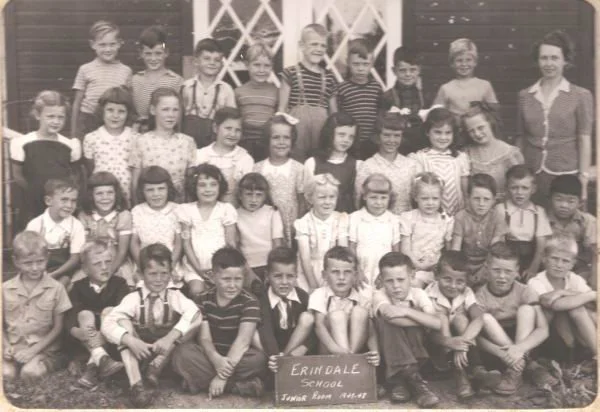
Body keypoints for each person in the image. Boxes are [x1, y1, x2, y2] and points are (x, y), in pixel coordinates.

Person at [101, 244, 201, 407]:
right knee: (119, 319)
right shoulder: (134, 298)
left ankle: (158, 366)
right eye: (153, 274)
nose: (159, 279)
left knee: (197, 317)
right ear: (141, 274)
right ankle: (137, 385)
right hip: (140, 351)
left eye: (164, 273)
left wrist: (170, 338)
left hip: (166, 352)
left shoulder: (174, 296)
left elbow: (194, 312)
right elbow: (107, 324)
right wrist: (130, 341)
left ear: (171, 273)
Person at [171, 247, 267, 399]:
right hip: (210, 355)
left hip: (238, 356)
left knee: (258, 360)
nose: (232, 285)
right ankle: (237, 386)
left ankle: (199, 381)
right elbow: (204, 338)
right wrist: (216, 360)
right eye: (226, 279)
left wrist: (221, 377)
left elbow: (243, 341)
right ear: (213, 277)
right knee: (182, 354)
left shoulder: (250, 302)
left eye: (238, 279)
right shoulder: (202, 299)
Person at [516, 30, 593, 206]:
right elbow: (521, 138)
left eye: (554, 58)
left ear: (565, 60)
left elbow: (584, 139)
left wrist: (583, 179)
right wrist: (520, 174)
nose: (549, 63)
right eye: (544, 58)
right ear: (537, 61)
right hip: (533, 176)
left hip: (567, 175)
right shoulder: (525, 96)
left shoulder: (580, 95)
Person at [475, 242, 554, 395]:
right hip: (497, 349)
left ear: (517, 271)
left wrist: (519, 349)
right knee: (484, 318)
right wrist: (503, 354)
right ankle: (527, 366)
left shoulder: (525, 291)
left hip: (525, 343)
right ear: (487, 268)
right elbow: (475, 337)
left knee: (526, 310)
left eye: (508, 271)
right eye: (496, 270)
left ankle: (515, 371)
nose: (502, 276)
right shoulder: (480, 296)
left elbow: (543, 330)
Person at [372, 252, 441, 408]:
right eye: (389, 281)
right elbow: (391, 317)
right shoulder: (379, 295)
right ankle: (414, 382)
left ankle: (399, 381)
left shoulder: (418, 293)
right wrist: (421, 320)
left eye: (401, 279)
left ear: (412, 276)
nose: (396, 286)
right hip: (387, 349)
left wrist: (407, 311)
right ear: (381, 279)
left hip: (417, 350)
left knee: (413, 316)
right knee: (387, 322)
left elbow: (436, 323)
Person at [3, 231, 72, 382]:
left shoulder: (57, 288)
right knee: (6, 374)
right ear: (16, 261)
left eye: (40, 261)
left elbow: (58, 328)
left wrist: (33, 351)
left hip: (44, 350)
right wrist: (6, 346)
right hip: (14, 347)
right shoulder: (5, 289)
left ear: (47, 258)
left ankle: (50, 363)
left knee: (30, 373)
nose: (35, 268)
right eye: (28, 263)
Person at [425, 251, 491, 400]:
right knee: (441, 317)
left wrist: (462, 343)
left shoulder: (466, 292)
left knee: (461, 320)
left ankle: (477, 369)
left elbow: (479, 318)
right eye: (447, 279)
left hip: (461, 345)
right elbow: (427, 333)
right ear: (437, 275)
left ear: (466, 281)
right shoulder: (428, 294)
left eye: (460, 281)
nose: (453, 286)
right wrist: (449, 342)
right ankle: (459, 374)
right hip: (437, 346)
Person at [65, 240, 129, 389]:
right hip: (86, 337)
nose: (104, 267)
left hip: (112, 337)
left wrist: (104, 334)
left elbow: (123, 313)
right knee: (84, 315)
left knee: (110, 311)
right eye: (97, 264)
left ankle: (94, 365)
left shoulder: (120, 284)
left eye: (108, 261)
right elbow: (71, 316)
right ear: (85, 269)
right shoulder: (78, 287)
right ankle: (100, 357)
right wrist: (76, 331)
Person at [10, 90, 81, 223]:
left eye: (61, 117)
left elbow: (74, 175)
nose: (56, 121)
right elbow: (18, 176)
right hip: (32, 203)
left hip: (61, 206)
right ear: (38, 115)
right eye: (50, 116)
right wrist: (36, 192)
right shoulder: (22, 143)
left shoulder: (70, 145)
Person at [130, 166, 201, 295]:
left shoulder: (177, 210)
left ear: (169, 189)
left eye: (161, 188)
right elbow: (134, 242)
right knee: (144, 292)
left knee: (169, 294)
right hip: (145, 264)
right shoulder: (137, 211)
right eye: (150, 190)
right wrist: (142, 265)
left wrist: (169, 267)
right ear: (142, 191)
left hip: (171, 263)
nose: (156, 194)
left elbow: (179, 243)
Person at [527, 235, 597, 358]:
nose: (559, 265)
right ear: (544, 258)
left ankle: (594, 351)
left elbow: (592, 303)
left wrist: (562, 293)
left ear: (572, 264)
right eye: (554, 258)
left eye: (565, 261)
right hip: (548, 336)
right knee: (574, 308)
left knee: (581, 309)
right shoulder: (536, 281)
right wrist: (592, 294)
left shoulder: (574, 279)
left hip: (574, 332)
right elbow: (555, 305)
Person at [279, 23, 338, 161]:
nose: (319, 49)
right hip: (297, 134)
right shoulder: (290, 73)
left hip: (321, 133)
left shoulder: (329, 77)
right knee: (296, 164)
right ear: (302, 46)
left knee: (318, 165)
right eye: (314, 44)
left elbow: (334, 115)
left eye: (323, 46)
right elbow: (281, 110)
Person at [309, 247, 379, 362]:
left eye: (347, 272)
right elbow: (319, 326)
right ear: (324, 275)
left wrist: (375, 351)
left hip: (353, 350)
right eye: (335, 272)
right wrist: (335, 349)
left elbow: (370, 327)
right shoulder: (319, 294)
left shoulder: (361, 297)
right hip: (328, 350)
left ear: (355, 275)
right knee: (338, 316)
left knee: (360, 311)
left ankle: (348, 360)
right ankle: (347, 361)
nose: (341, 277)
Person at [256, 247, 315, 380]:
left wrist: (304, 347)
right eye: (278, 276)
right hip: (271, 350)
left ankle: (285, 362)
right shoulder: (262, 299)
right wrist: (274, 356)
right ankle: (276, 369)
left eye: (290, 276)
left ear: (296, 276)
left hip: (294, 350)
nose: (284, 282)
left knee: (308, 318)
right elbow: (266, 332)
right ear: (267, 276)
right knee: (253, 331)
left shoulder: (302, 297)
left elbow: (314, 331)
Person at [130, 88, 197, 203]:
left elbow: (190, 183)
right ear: (153, 110)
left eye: (175, 110)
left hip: (179, 206)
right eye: (165, 109)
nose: (171, 115)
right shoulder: (141, 141)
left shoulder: (187, 142)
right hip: (150, 206)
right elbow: (135, 183)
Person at [176, 164, 237, 287]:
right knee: (197, 290)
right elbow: (186, 243)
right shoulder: (186, 210)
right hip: (194, 267)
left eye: (213, 184)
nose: (208, 189)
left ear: (220, 187)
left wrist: (223, 267)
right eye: (202, 185)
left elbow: (231, 243)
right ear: (194, 187)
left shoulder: (226, 209)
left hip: (221, 267)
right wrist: (199, 270)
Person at [71, 20, 132, 139]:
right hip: (88, 120)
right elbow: (77, 103)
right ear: (93, 44)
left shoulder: (126, 71)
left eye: (112, 44)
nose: (108, 49)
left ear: (119, 44)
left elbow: (127, 103)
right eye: (102, 45)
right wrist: (74, 134)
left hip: (115, 121)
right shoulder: (85, 69)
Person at [433, 38, 498, 147]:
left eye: (468, 60)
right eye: (459, 60)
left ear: (475, 62)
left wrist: (481, 111)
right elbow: (437, 115)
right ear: (452, 63)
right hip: (457, 137)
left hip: (479, 135)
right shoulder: (446, 88)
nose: (464, 64)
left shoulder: (485, 85)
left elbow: (494, 113)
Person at [355, 110, 421, 215]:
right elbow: (359, 201)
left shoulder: (412, 165)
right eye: (386, 135)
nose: (392, 140)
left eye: (397, 135)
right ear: (378, 136)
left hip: (407, 221)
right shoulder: (367, 166)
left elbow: (419, 198)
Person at [75, 172, 135, 287]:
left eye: (110, 192)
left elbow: (122, 252)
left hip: (116, 263)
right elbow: (83, 249)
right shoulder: (84, 216)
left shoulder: (123, 216)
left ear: (116, 194)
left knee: (125, 285)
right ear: (91, 196)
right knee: (77, 284)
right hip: (92, 264)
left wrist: (109, 272)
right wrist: (94, 272)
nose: (105, 198)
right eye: (99, 193)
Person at [254, 113, 305, 247]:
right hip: (264, 225)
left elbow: (302, 202)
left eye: (286, 137)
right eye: (276, 137)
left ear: (292, 140)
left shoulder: (298, 168)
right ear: (267, 140)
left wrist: (298, 226)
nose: (281, 142)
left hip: (289, 226)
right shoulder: (257, 168)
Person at [494, 165, 552, 281]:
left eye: (525, 188)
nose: (519, 192)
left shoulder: (538, 212)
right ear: (507, 188)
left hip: (531, 259)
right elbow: (499, 241)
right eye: (514, 188)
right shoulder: (501, 209)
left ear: (533, 189)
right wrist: (508, 268)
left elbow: (541, 246)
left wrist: (533, 268)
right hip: (506, 258)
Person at [451, 173, 509, 289]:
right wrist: (460, 269)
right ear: (468, 198)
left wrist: (483, 272)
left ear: (494, 200)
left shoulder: (497, 217)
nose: (481, 204)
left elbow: (495, 251)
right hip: (465, 264)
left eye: (486, 199)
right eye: (476, 199)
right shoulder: (461, 217)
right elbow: (455, 250)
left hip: (488, 264)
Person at [410, 107, 469, 216]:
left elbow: (465, 191)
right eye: (438, 132)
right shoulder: (419, 158)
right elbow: (418, 190)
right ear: (427, 132)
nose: (443, 137)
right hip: (430, 214)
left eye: (448, 133)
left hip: (457, 214)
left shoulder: (460, 157)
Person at [26, 178, 85, 287]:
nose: (69, 205)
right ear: (48, 201)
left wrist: (54, 274)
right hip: (38, 268)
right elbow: (28, 256)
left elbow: (75, 258)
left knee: (60, 285)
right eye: (64, 200)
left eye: (73, 201)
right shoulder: (35, 225)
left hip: (65, 269)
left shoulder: (76, 226)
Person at [294, 174, 349, 292]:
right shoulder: (304, 223)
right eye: (322, 197)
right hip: (309, 271)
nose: (327, 202)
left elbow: (343, 253)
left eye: (332, 197)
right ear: (310, 199)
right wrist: (312, 284)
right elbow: (305, 258)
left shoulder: (340, 219)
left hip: (334, 269)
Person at [82, 86, 137, 203]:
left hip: (128, 197)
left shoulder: (136, 138)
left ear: (128, 113)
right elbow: (90, 168)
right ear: (102, 111)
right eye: (110, 110)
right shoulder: (91, 138)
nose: (115, 115)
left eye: (121, 111)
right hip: (102, 197)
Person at [399, 172, 454, 288]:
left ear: (441, 198)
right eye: (425, 198)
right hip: (413, 267)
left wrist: (438, 265)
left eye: (435, 198)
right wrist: (418, 265)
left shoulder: (446, 220)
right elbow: (405, 250)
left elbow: (449, 252)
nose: (430, 203)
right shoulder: (409, 218)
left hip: (437, 270)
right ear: (416, 197)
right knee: (413, 284)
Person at [462, 102, 524, 202]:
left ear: (490, 123)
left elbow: (518, 186)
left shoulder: (510, 154)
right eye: (471, 131)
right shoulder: (466, 153)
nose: (477, 133)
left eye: (480, 128)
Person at [181, 38, 236, 148]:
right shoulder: (186, 87)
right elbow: (179, 116)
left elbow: (232, 120)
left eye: (217, 60)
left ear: (221, 63)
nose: (212, 63)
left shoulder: (226, 90)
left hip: (215, 144)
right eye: (207, 58)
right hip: (188, 142)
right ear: (196, 61)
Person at [349, 173, 400, 287]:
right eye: (373, 197)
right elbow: (351, 248)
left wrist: (387, 274)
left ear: (389, 198)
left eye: (383, 198)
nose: (378, 202)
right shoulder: (355, 218)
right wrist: (357, 270)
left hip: (385, 272)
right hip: (361, 270)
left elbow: (396, 253)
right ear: (364, 196)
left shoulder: (393, 220)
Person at [304, 112, 361, 213]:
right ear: (329, 134)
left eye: (351, 137)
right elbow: (307, 197)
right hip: (320, 217)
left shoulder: (357, 165)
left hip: (346, 217)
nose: (346, 140)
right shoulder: (312, 163)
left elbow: (358, 198)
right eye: (341, 135)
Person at [195, 107, 254, 205]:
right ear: (215, 128)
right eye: (228, 128)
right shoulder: (200, 155)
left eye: (238, 130)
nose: (233, 134)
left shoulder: (245, 159)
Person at [336, 38, 383, 159]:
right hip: (350, 141)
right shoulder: (343, 88)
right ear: (348, 62)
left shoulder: (376, 87)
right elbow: (339, 116)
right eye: (356, 64)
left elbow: (380, 114)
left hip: (372, 142)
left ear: (372, 64)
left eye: (365, 64)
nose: (361, 68)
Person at [547, 175, 596, 287]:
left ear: (580, 203)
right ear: (549, 199)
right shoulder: (542, 219)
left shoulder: (587, 221)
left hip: (580, 270)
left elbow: (595, 253)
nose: (564, 205)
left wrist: (594, 278)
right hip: (549, 268)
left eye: (571, 201)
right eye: (559, 199)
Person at [131, 25, 183, 133]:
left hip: (167, 132)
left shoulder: (176, 80)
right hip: (141, 133)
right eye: (148, 54)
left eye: (158, 53)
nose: (153, 58)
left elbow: (179, 114)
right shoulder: (135, 80)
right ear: (141, 54)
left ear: (166, 53)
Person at [236, 173, 285, 281]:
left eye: (259, 195)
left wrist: (273, 269)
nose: (253, 200)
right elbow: (236, 245)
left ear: (265, 196)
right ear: (240, 195)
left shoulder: (272, 212)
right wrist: (246, 270)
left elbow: (277, 244)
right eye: (249, 194)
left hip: (269, 264)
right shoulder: (234, 215)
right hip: (247, 266)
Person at [380, 46, 428, 155]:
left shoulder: (425, 96)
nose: (408, 74)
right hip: (396, 148)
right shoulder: (387, 97)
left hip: (421, 148)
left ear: (419, 70)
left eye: (413, 70)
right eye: (402, 70)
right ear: (394, 71)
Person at [235, 42, 278, 160]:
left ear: (272, 67)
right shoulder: (239, 92)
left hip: (267, 144)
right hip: (245, 143)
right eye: (257, 65)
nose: (261, 70)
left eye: (267, 66)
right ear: (247, 65)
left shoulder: (276, 92)